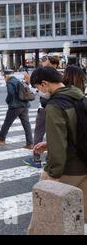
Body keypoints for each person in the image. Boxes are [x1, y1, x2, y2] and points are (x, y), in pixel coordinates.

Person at [30, 66, 87, 219]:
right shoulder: (78, 96)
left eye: (37, 88)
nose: (39, 92)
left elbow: (58, 146)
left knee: (45, 217)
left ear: (44, 84)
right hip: (84, 163)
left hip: (69, 169)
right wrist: (48, 144)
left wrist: (53, 177)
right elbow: (77, 128)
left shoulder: (55, 106)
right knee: (78, 217)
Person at [23, 55, 60, 168]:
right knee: (52, 135)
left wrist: (32, 83)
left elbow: (47, 94)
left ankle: (37, 159)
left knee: (39, 134)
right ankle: (49, 160)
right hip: (49, 109)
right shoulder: (57, 76)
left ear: (54, 65)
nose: (44, 67)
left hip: (45, 110)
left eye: (47, 65)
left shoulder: (52, 78)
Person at [0, 69, 33, 149]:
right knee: (26, 125)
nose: (4, 79)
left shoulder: (10, 82)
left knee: (7, 123)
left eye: (4, 77)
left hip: (15, 106)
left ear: (6, 76)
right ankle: (30, 144)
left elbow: (10, 93)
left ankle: (1, 138)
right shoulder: (19, 81)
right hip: (24, 106)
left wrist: (8, 101)